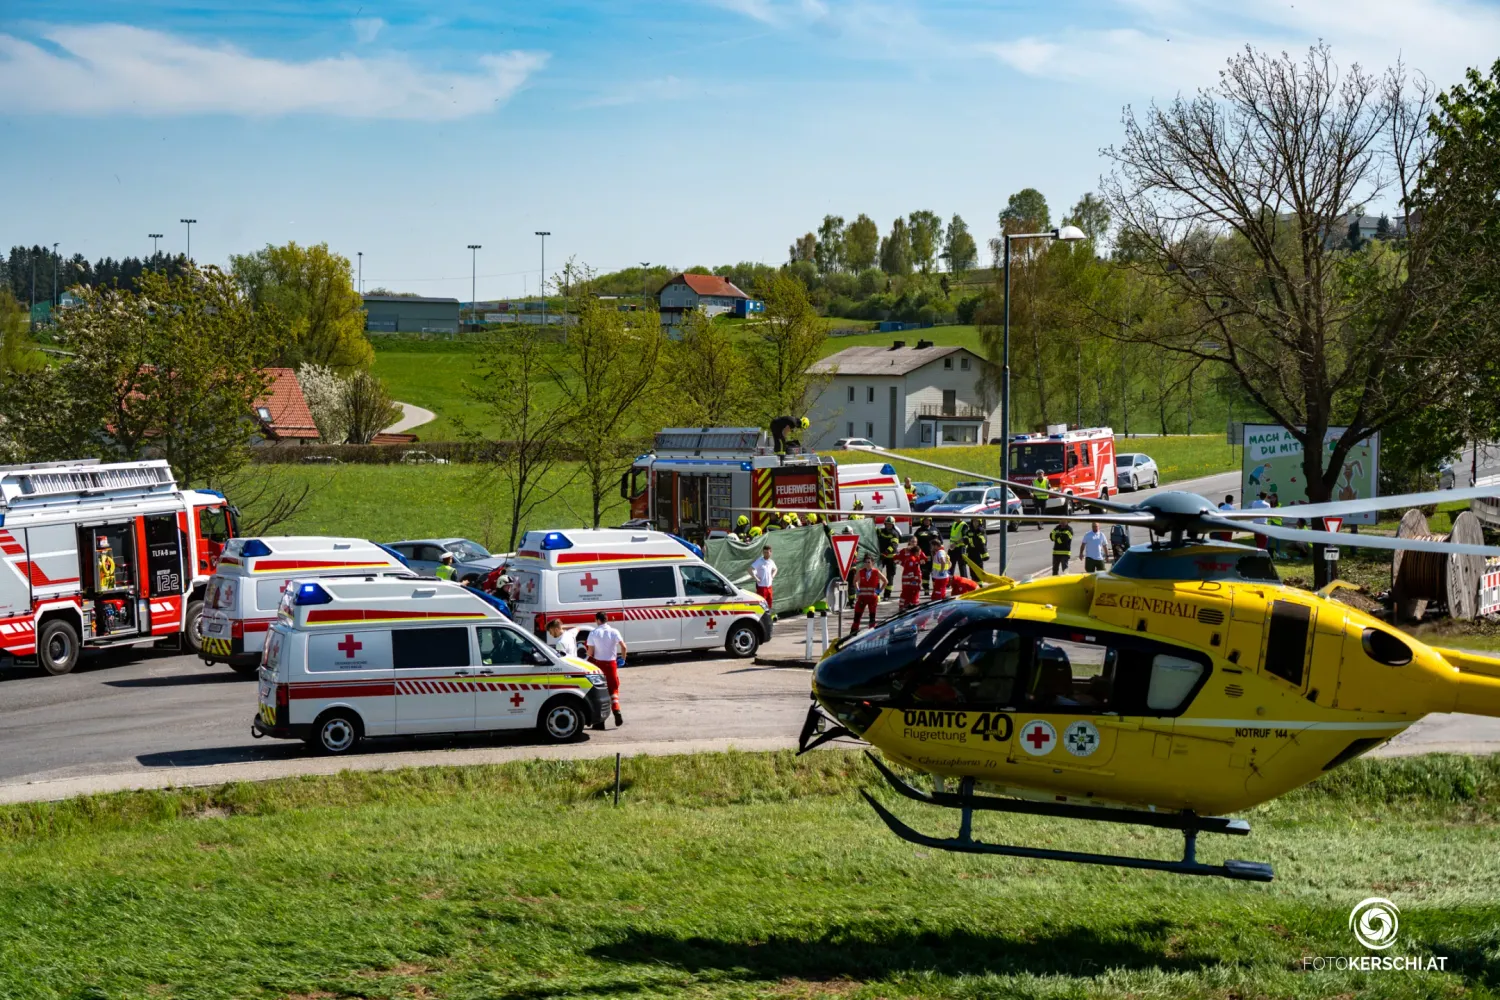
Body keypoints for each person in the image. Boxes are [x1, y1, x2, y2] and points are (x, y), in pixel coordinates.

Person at [585, 611, 625, 726]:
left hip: (599, 665)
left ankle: (600, 723)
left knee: (601, 691)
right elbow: (624, 646)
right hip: (611, 664)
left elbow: (590, 652)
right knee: (613, 689)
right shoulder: (614, 631)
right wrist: (623, 658)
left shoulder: (593, 633)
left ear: (598, 620)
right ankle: (616, 709)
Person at [849, 555, 886, 635]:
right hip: (862, 598)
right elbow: (854, 581)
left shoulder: (876, 572)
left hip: (872, 598)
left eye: (869, 562)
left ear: (872, 563)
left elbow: (885, 581)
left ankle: (872, 634)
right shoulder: (861, 571)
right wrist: (858, 590)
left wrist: (879, 591)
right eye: (865, 562)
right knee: (857, 616)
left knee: (872, 617)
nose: (867, 564)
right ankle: (853, 633)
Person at [896, 537, 927, 612]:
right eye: (912, 541)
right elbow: (895, 558)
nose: (914, 543)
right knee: (906, 591)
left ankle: (911, 605)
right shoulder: (905, 551)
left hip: (915, 574)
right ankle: (903, 606)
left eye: (915, 542)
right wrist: (904, 564)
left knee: (914, 591)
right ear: (909, 542)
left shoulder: (918, 550)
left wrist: (921, 562)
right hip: (908, 575)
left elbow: (924, 559)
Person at [876, 516, 901, 599]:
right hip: (881, 557)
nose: (888, 526)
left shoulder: (895, 533)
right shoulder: (881, 531)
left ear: (893, 525)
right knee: (876, 575)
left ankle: (887, 595)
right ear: (885, 524)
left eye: (890, 524)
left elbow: (893, 546)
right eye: (887, 524)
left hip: (891, 558)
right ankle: (876, 593)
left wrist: (886, 552)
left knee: (890, 576)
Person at [914, 517, 939, 594]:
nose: (927, 522)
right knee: (925, 572)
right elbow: (915, 542)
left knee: (935, 572)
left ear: (930, 521)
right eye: (925, 520)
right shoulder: (919, 531)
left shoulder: (935, 530)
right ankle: (926, 589)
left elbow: (940, 542)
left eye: (928, 520)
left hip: (934, 555)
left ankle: (936, 588)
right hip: (924, 555)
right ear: (923, 521)